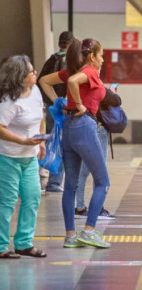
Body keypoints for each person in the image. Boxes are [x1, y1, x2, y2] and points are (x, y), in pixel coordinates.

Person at [39, 38, 111, 249]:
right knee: (102, 182)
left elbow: (43, 81)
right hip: (84, 126)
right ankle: (89, 231)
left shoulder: (71, 70)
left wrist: (59, 103)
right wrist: (78, 104)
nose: (103, 60)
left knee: (70, 184)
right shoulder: (88, 71)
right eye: (101, 56)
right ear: (91, 56)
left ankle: (70, 235)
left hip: (68, 127)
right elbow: (72, 83)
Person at [0, 56, 47, 259]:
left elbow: (40, 116)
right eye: (31, 72)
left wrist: (41, 140)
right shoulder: (9, 100)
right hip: (8, 156)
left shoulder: (35, 91)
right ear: (20, 76)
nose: (34, 73)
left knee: (32, 198)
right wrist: (23, 141)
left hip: (29, 157)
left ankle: (24, 243)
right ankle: (1, 245)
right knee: (7, 201)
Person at [74, 86, 121, 220]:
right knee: (100, 172)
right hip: (98, 129)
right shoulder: (96, 84)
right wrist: (111, 90)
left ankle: (80, 207)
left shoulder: (80, 84)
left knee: (83, 171)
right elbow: (117, 100)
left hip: (84, 127)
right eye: (99, 64)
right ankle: (98, 209)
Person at [37, 31, 74, 193]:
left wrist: (49, 101)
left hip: (50, 106)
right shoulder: (69, 62)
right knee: (61, 144)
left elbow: (41, 81)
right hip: (62, 107)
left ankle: (42, 174)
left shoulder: (51, 59)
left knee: (50, 142)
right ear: (71, 44)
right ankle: (54, 182)